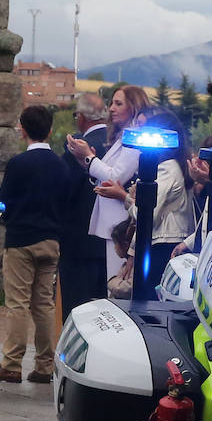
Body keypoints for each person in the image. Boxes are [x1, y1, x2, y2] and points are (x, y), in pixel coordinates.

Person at [0, 106, 70, 384]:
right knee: (43, 304)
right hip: (51, 240)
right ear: (50, 130)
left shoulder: (18, 164)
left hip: (21, 240)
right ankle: (44, 365)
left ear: (22, 129)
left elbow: (4, 202)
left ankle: (11, 363)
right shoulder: (61, 165)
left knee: (17, 303)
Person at [94, 110, 194, 294]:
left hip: (161, 246)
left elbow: (146, 214)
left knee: (147, 300)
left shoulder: (166, 168)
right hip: (165, 243)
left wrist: (127, 199)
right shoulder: (174, 165)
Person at [66, 85, 146, 280]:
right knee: (112, 282)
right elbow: (106, 174)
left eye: (118, 104)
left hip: (121, 221)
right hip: (113, 220)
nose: (111, 108)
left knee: (118, 283)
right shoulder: (123, 137)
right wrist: (87, 162)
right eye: (111, 103)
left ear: (133, 107)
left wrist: (89, 158)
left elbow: (116, 177)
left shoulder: (136, 137)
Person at [58, 92, 110, 318]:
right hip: (110, 241)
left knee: (77, 308)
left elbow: (64, 191)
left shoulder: (78, 148)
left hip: (78, 239)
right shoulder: (117, 143)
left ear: (81, 117)